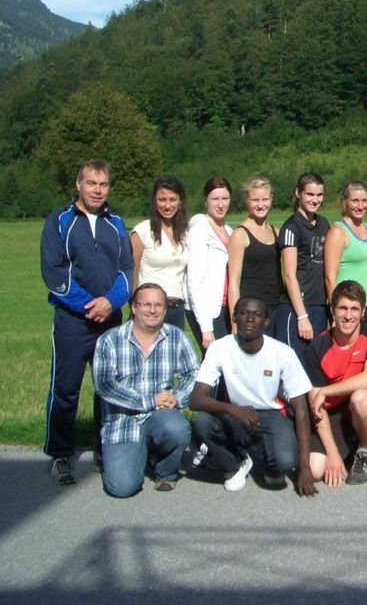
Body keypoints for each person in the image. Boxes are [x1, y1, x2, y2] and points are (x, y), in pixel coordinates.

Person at [41, 160, 134, 485]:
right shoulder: (60, 222)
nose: (97, 189)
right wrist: (87, 305)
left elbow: (127, 270)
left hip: (110, 320)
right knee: (65, 389)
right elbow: (54, 272)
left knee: (107, 388)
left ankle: (105, 447)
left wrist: (111, 301)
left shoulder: (116, 223)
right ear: (78, 185)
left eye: (103, 184)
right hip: (72, 322)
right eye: (91, 183)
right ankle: (61, 454)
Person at [190, 297, 316, 496]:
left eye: (257, 315)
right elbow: (195, 400)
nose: (249, 319)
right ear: (234, 317)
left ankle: (263, 457)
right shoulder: (220, 348)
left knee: (284, 463)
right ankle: (237, 462)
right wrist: (232, 409)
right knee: (202, 421)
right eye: (243, 313)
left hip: (270, 414)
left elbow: (301, 408)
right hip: (233, 413)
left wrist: (305, 466)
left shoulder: (283, 353)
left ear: (266, 322)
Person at [92, 283, 198, 496]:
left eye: (158, 305)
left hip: (161, 416)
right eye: (146, 304)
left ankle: (165, 471)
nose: (152, 310)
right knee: (122, 488)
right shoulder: (110, 340)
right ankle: (135, 453)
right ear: (133, 307)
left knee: (177, 429)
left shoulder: (176, 337)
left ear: (165, 309)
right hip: (122, 421)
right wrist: (150, 401)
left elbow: (194, 374)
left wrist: (176, 398)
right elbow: (104, 385)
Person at [303, 281, 367, 487]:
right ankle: (347, 449)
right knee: (315, 470)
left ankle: (364, 452)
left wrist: (326, 390)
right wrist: (332, 453)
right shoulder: (317, 347)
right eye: (342, 308)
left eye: (354, 309)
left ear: (362, 313)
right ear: (332, 310)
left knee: (362, 398)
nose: (348, 315)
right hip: (334, 413)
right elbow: (317, 406)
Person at [275, 172, 330, 358]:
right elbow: (289, 276)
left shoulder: (323, 224)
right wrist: (302, 316)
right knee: (295, 368)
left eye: (319, 195)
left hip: (319, 305)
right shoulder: (291, 227)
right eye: (310, 194)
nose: (315, 200)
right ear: (298, 193)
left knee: (315, 365)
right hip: (297, 308)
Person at [129, 176, 189, 330]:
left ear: (180, 200)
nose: (167, 205)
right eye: (162, 200)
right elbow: (130, 275)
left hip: (176, 308)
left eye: (172, 199)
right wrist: (135, 306)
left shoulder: (186, 232)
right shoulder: (142, 231)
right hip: (149, 309)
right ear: (155, 201)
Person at [227, 177, 281, 335]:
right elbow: (234, 281)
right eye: (255, 200)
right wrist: (235, 323)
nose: (260, 205)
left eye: (265, 199)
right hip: (252, 311)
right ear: (247, 200)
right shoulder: (240, 234)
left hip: (275, 308)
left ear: (271, 199)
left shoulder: (276, 232)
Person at [186, 177, 233, 353]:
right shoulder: (200, 230)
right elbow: (195, 280)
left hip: (225, 307)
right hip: (207, 309)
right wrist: (206, 327)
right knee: (215, 363)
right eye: (215, 199)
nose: (220, 205)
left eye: (225, 199)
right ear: (206, 200)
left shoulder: (229, 230)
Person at [323, 181, 367, 302]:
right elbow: (330, 278)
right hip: (347, 307)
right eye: (355, 201)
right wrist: (335, 309)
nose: (360, 206)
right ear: (344, 202)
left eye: (364, 201)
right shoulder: (338, 232)